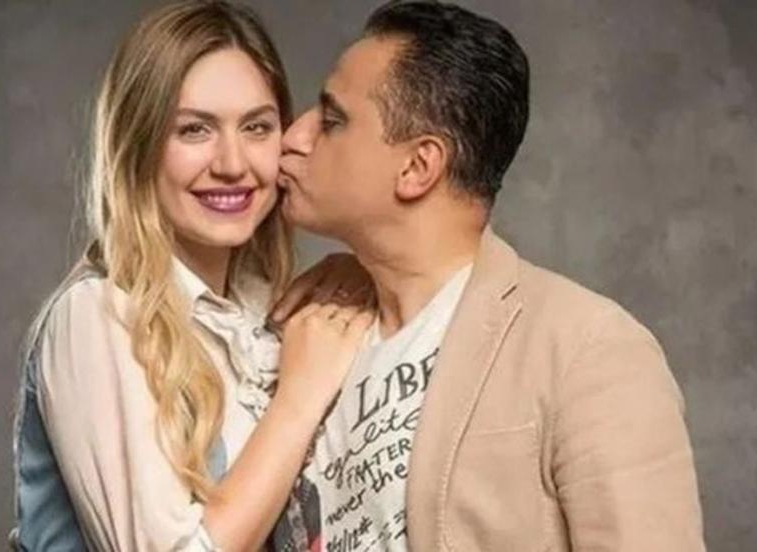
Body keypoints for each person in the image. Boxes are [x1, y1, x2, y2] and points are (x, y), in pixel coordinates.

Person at [274, 1, 706, 550]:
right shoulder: (308, 329)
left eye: (333, 120)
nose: (295, 135)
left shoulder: (588, 350)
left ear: (417, 167)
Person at [11, 2, 375, 550]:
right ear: (137, 146)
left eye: (256, 127)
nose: (232, 164)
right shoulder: (98, 315)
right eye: (194, 130)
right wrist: (300, 398)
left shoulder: (264, 316)